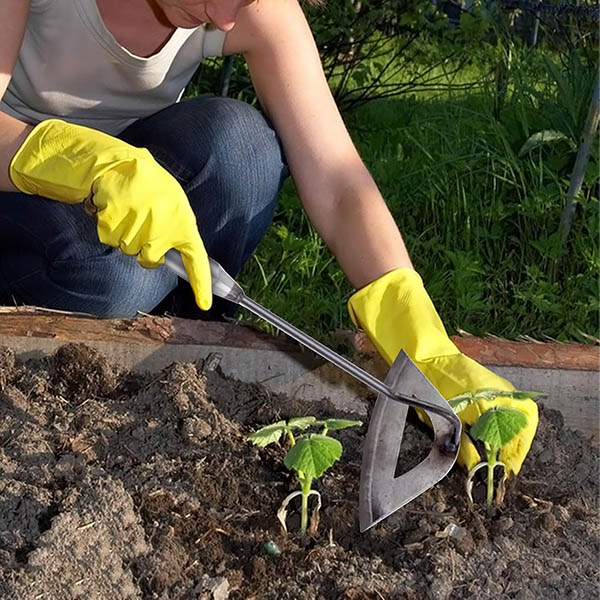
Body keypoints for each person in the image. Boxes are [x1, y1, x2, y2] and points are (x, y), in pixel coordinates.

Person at [0, 0, 537, 476]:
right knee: (119, 276)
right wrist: (78, 159)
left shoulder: (243, 8)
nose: (226, 18)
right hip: (15, 193)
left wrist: (421, 338)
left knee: (244, 148)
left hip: (126, 201)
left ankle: (179, 355)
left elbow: (339, 181)